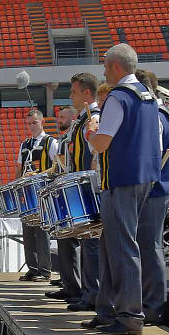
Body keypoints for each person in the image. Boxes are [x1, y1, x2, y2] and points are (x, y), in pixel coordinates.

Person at [84, 44, 160, 335]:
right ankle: (108, 311)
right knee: (113, 245)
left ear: (116, 66)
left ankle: (129, 316)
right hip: (144, 177)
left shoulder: (118, 97)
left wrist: (91, 132)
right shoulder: (147, 94)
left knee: (122, 247)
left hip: (123, 179)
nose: (103, 71)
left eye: (105, 65)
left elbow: (102, 143)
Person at [51, 81, 100, 308]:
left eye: (73, 91)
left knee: (91, 243)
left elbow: (95, 155)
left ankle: (92, 295)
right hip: (78, 183)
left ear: (86, 93)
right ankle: (79, 289)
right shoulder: (82, 119)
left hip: (88, 185)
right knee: (76, 239)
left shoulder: (94, 117)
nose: (70, 96)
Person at [137, 72, 169, 325]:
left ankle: (154, 306)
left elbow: (154, 154)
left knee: (150, 247)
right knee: (148, 247)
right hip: (155, 189)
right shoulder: (160, 115)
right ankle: (149, 302)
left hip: (154, 190)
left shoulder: (156, 117)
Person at [16, 108, 58, 280]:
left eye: (35, 122)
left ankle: (45, 270)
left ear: (42, 122)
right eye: (29, 123)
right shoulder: (24, 144)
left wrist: (39, 175)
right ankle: (32, 268)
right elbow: (19, 168)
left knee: (42, 232)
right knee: (28, 231)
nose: (32, 126)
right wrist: (17, 186)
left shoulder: (51, 142)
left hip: (43, 192)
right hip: (27, 193)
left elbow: (57, 167)